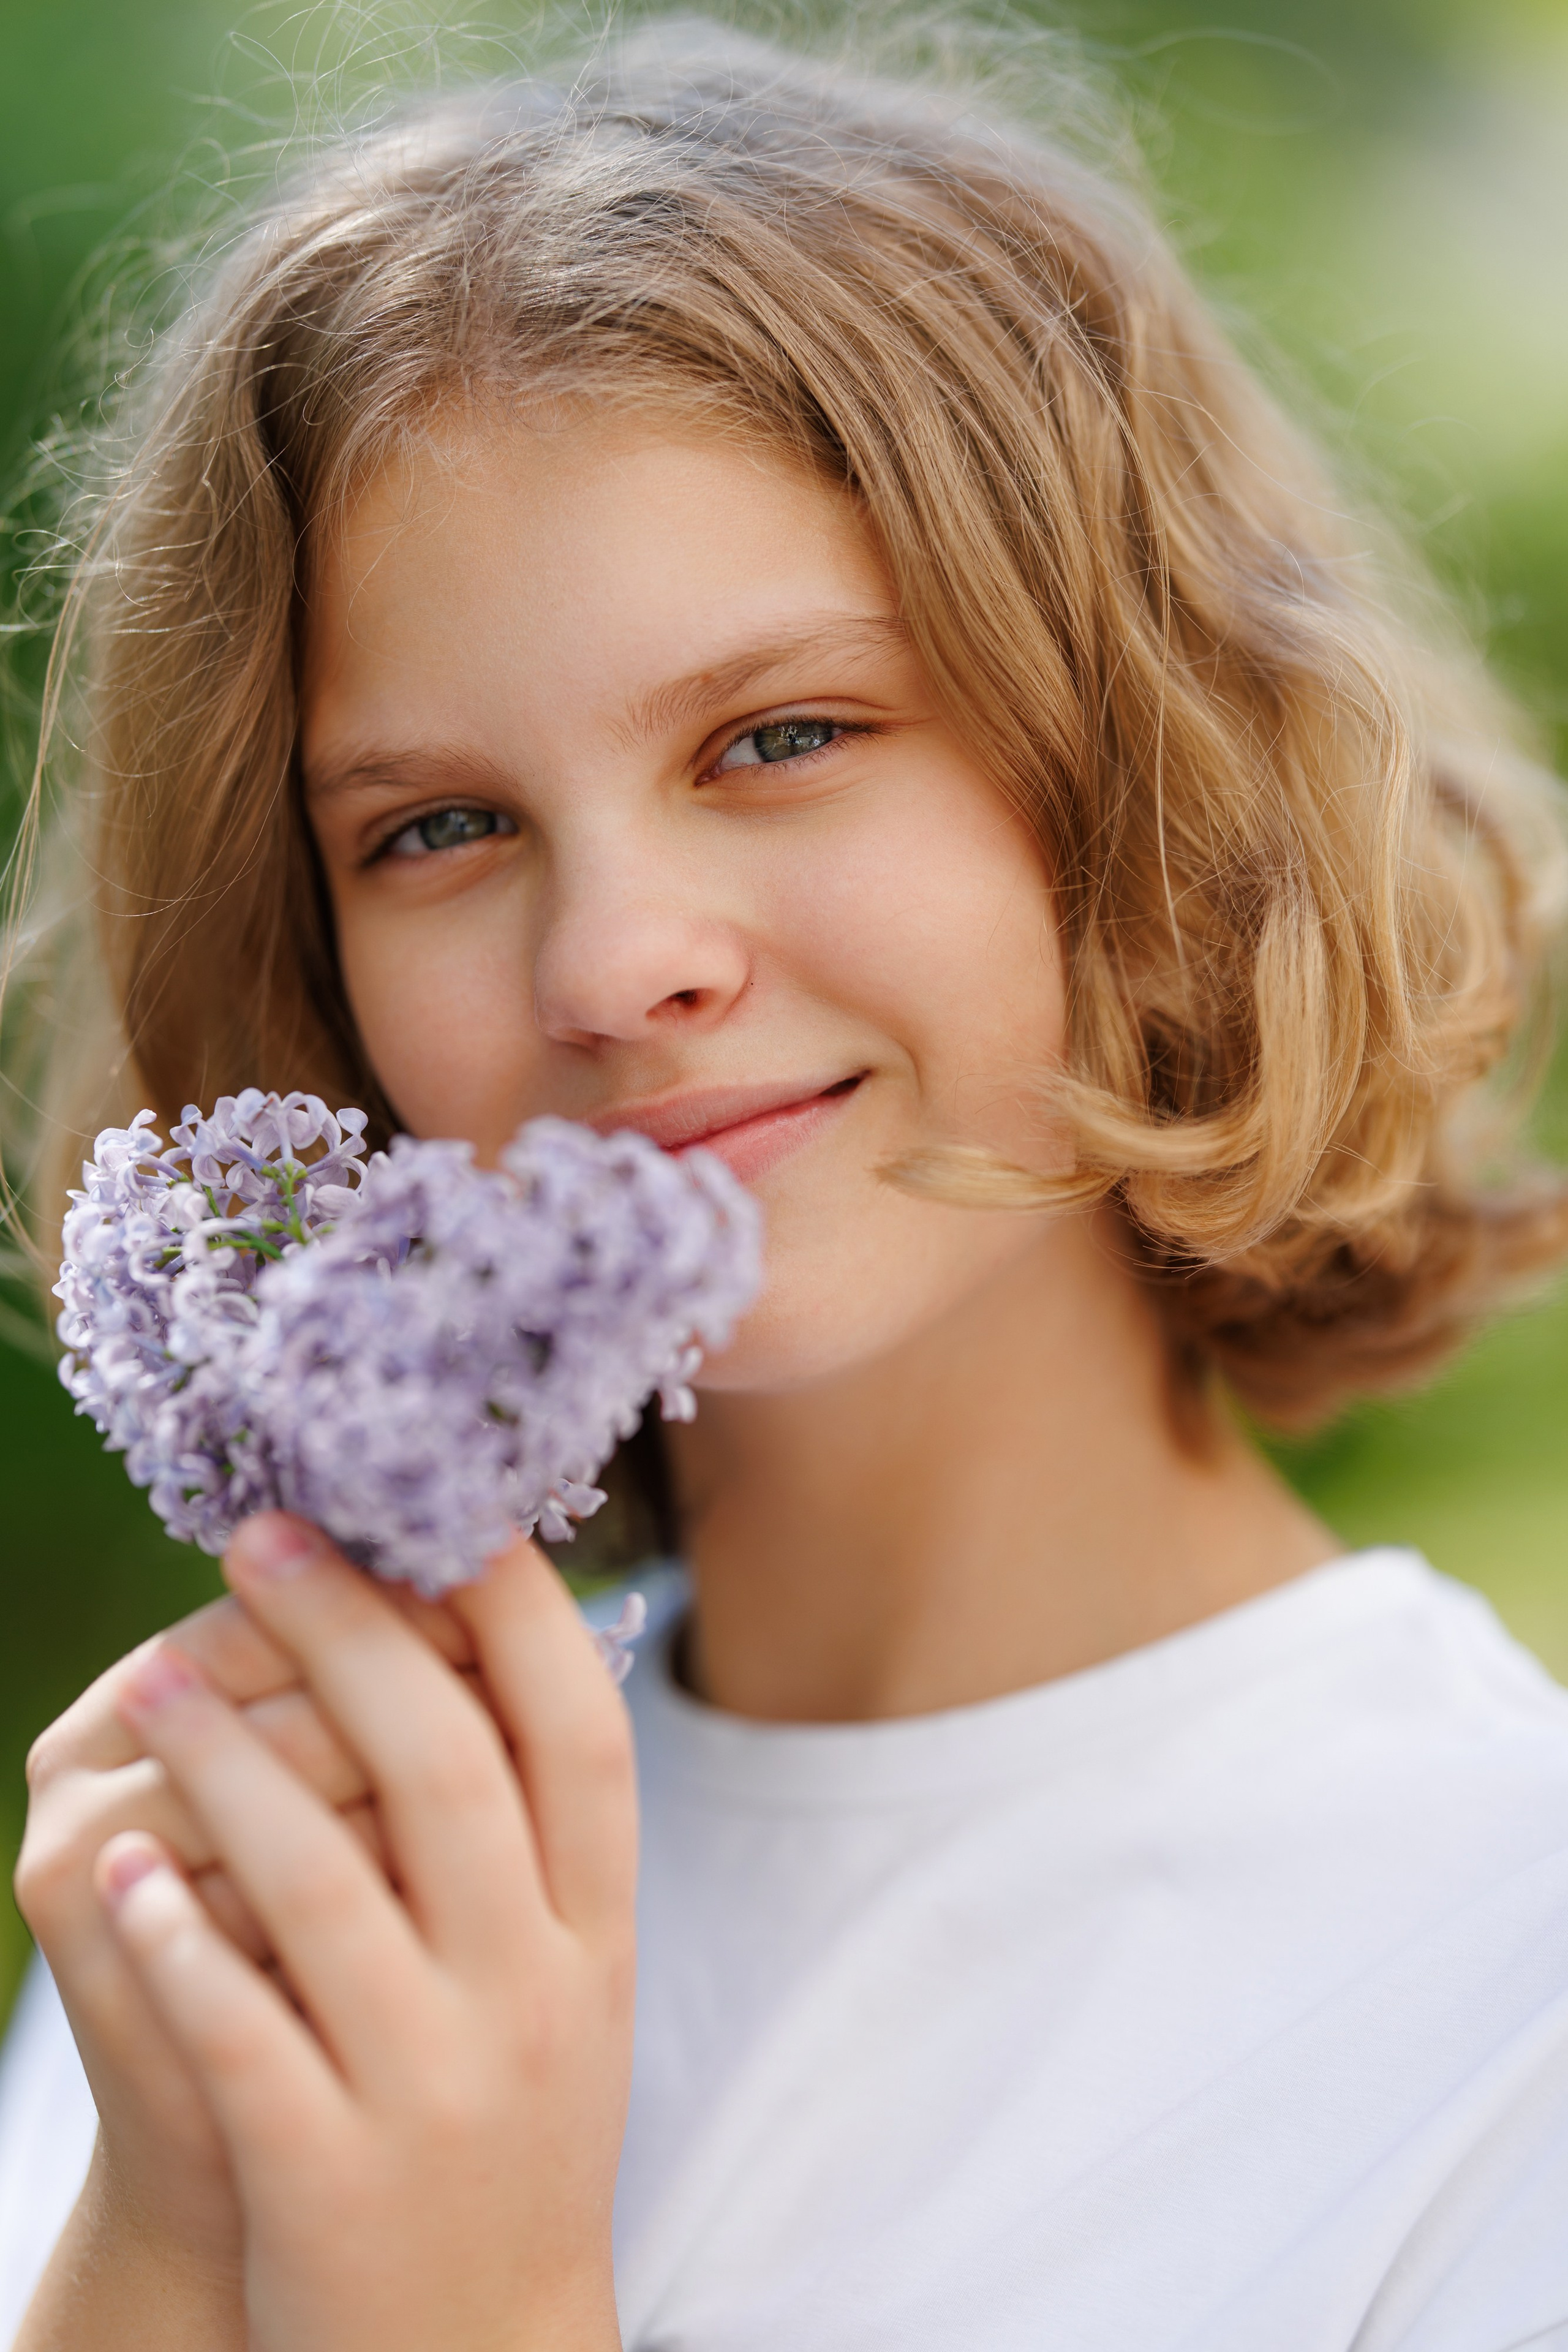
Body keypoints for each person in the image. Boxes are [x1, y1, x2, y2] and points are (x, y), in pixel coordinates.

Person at [4, 21, 1568, 2351]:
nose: (613, 963)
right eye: (440, 827)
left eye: (784, 737)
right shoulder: (270, 1864)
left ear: (1145, 771)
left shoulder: (1503, 1999)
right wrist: (160, 2235)